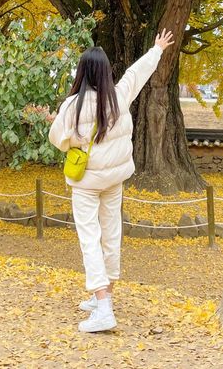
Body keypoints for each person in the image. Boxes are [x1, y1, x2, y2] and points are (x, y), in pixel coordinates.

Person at [48, 29, 175, 334]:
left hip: (87, 182)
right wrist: (157, 48)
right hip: (114, 180)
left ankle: (103, 306)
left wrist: (72, 141)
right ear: (105, 71)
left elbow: (56, 138)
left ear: (81, 72)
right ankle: (104, 294)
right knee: (111, 233)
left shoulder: (72, 105)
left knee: (89, 238)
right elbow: (138, 72)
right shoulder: (118, 96)